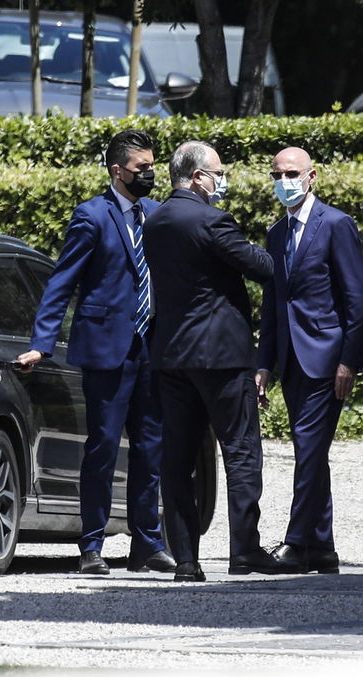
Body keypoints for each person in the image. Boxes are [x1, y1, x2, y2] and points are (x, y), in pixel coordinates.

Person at [16, 129, 175, 574]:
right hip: (107, 349)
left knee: (150, 448)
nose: (150, 174)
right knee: (103, 446)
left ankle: (147, 544)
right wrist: (41, 344)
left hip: (151, 347)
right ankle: (91, 546)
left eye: (152, 166)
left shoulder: (157, 214)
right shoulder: (92, 216)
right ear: (117, 170)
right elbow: (62, 282)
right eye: (142, 168)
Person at [143, 140, 297, 581]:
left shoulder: (155, 221)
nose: (222, 180)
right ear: (197, 177)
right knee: (241, 452)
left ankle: (186, 560)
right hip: (222, 356)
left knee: (178, 459)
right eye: (218, 173)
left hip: (172, 355)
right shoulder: (212, 220)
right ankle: (244, 550)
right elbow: (263, 267)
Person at [255, 147, 363, 574]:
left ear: (312, 176)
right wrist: (264, 364)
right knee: (310, 450)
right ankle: (322, 548)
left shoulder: (336, 224)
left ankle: (296, 543)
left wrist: (349, 361)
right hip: (291, 359)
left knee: (308, 448)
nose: (284, 181)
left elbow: (357, 299)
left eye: (291, 173)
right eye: (277, 174)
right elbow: (273, 304)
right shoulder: (276, 233)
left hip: (326, 358)